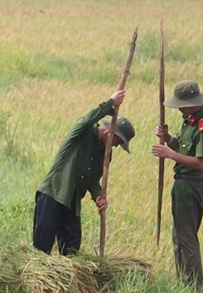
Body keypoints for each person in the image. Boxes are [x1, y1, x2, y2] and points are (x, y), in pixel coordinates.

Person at [33, 90, 135, 255]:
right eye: (118, 141)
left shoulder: (105, 155)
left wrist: (98, 195)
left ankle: (67, 272)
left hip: (72, 202)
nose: (117, 146)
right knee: (41, 248)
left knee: (72, 249)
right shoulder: (83, 131)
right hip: (53, 193)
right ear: (111, 132)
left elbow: (92, 181)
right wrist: (110, 102)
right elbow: (87, 119)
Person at [152, 80, 203, 289]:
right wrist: (168, 138)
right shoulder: (188, 121)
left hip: (191, 185)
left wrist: (170, 155)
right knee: (179, 237)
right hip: (181, 184)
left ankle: (193, 289)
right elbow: (182, 147)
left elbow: (201, 163)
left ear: (194, 103)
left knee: (187, 239)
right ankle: (183, 283)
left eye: (183, 105)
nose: (179, 109)